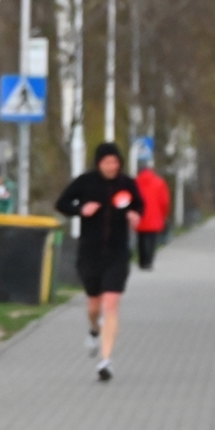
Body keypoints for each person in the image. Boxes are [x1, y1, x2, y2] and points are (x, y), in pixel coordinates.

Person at [56, 142, 143, 382]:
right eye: (107, 162)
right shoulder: (85, 182)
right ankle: (94, 329)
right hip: (90, 253)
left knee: (111, 305)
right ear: (98, 163)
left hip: (117, 253)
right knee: (94, 306)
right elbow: (62, 204)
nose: (112, 166)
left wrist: (135, 215)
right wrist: (81, 210)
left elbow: (139, 205)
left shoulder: (127, 183)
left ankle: (105, 361)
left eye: (115, 162)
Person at [133, 159, 170, 270]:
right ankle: (149, 261)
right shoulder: (159, 182)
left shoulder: (136, 182)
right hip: (155, 215)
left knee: (141, 238)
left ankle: (142, 260)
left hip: (140, 215)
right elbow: (164, 201)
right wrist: (164, 214)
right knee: (152, 239)